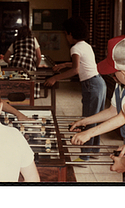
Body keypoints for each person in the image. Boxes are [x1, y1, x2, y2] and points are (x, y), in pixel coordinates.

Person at [70, 34, 125, 181]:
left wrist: (123, 163)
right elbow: (116, 112)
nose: (113, 77)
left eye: (114, 73)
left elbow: (122, 115)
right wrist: (85, 123)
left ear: (124, 73)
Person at [44, 16, 106, 161]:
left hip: (91, 85)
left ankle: (84, 156)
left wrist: (55, 78)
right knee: (95, 118)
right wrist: (64, 65)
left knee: (88, 119)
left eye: (66, 34)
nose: (66, 37)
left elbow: (75, 70)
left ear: (71, 33)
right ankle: (93, 151)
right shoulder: (85, 45)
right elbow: (82, 63)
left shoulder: (74, 48)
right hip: (99, 83)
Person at [3, 25, 42, 98]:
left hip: (16, 63)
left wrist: (11, 63)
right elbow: (39, 56)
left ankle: (16, 96)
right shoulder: (33, 39)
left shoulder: (15, 41)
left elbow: (5, 58)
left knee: (16, 81)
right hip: (29, 63)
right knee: (29, 80)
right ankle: (30, 96)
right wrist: (36, 66)